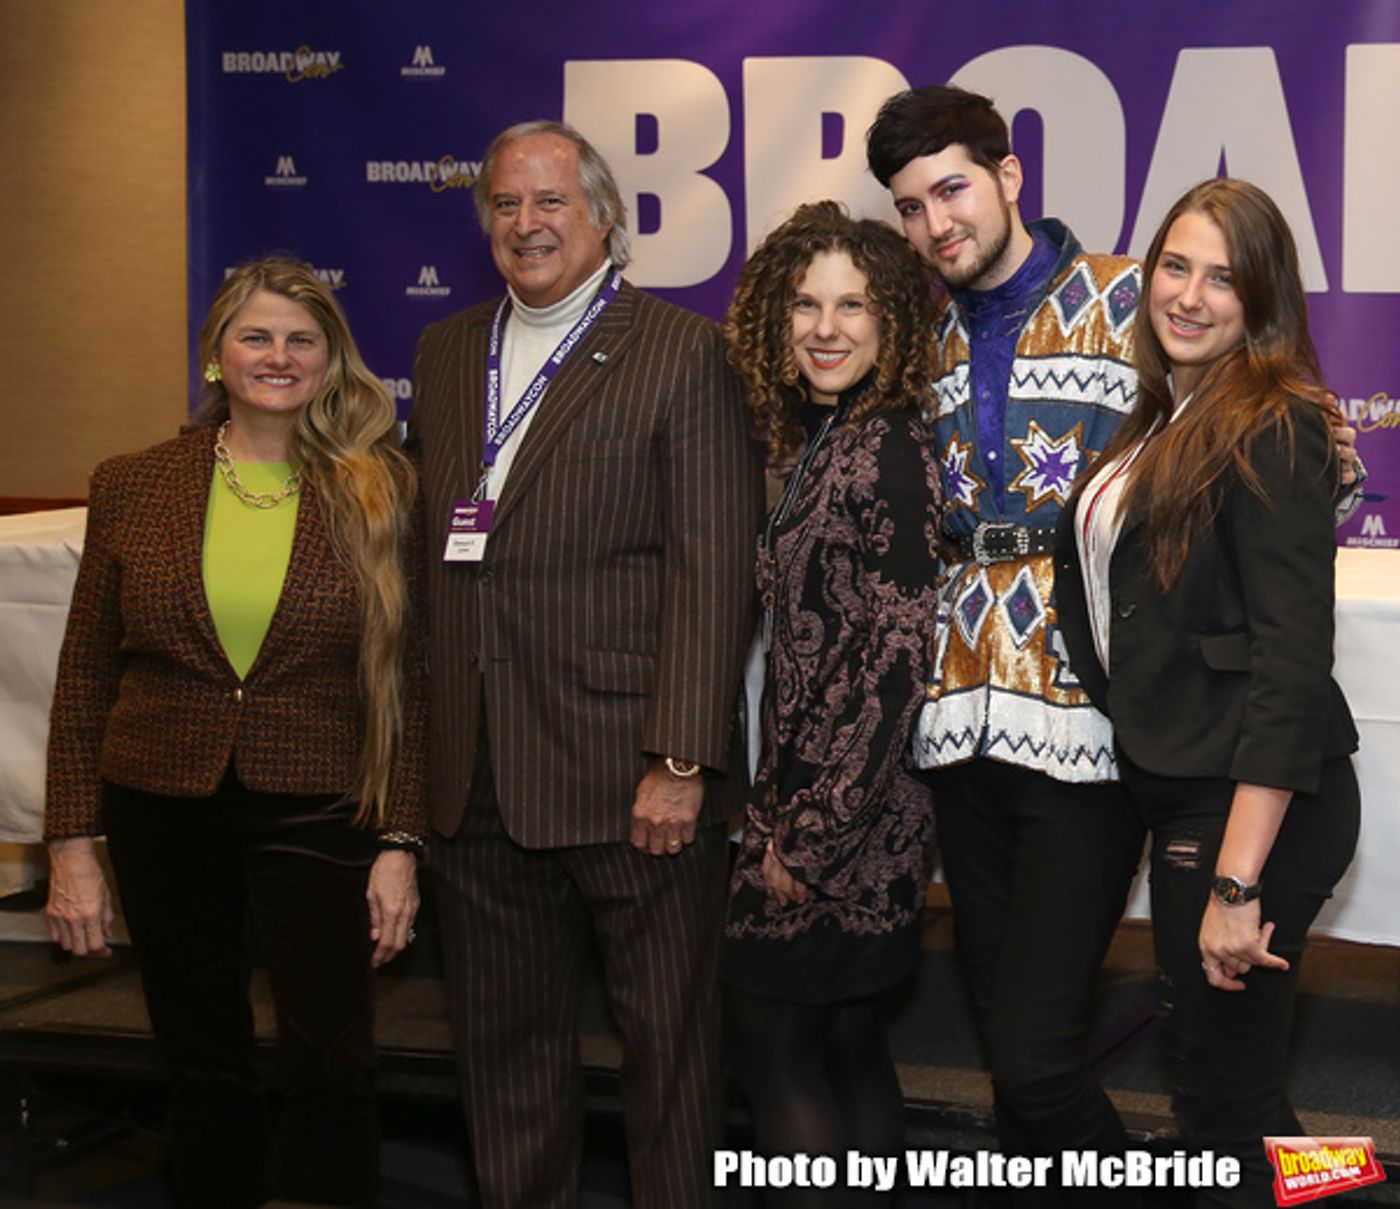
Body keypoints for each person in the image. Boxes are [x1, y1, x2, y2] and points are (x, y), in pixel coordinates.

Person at [409, 119, 761, 1208]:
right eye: (506, 206)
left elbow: (714, 568)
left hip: (630, 779)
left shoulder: (681, 350)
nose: (527, 225)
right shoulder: (447, 349)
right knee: (503, 1064)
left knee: (669, 1061)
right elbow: (441, 563)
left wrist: (682, 758)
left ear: (605, 216)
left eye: (550, 202)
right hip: (477, 778)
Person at [42, 255, 427, 1209]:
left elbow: (413, 685)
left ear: (331, 360)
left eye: (303, 339)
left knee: (331, 1050)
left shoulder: (384, 490)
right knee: (199, 1047)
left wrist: (401, 841)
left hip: (324, 802)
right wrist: (70, 838)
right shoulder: (132, 482)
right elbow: (86, 672)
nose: (278, 356)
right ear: (216, 354)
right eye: (255, 335)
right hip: (159, 798)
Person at [866, 86, 1149, 1198]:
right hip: (958, 723)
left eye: (950, 188)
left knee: (1032, 1051)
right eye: (907, 207)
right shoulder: (914, 338)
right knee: (1006, 1036)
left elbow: (1294, 428)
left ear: (1007, 175)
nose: (935, 223)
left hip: (1087, 721)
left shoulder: (1129, 297)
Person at [1053, 179, 1359, 1207]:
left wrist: (1234, 888)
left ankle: (1343, 1189)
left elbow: (1288, 663)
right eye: (1173, 267)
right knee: (1226, 1088)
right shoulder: (1162, 412)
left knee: (1220, 1098)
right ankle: (1341, 1182)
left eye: (1220, 278)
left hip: (1251, 798)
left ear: (1260, 297)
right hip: (1194, 781)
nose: (1186, 296)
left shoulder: (1270, 420)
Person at [720, 201, 942, 1201]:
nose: (824, 327)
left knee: (773, 1052)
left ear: (891, 320)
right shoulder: (831, 435)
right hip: (831, 807)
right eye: (805, 304)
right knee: (849, 1046)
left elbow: (896, 659)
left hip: (846, 822)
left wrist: (807, 841)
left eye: (851, 305)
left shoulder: (883, 445)